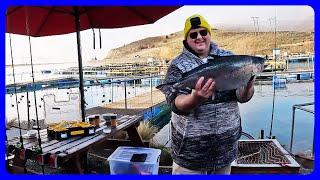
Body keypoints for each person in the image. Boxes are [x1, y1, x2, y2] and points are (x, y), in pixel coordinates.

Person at [158, 14, 255, 174]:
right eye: (193, 34)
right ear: (186, 39)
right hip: (190, 156)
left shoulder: (230, 58)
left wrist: (247, 87)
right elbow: (174, 103)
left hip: (225, 151)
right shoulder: (177, 65)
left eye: (203, 32)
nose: (199, 37)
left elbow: (242, 97)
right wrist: (194, 99)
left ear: (209, 34)